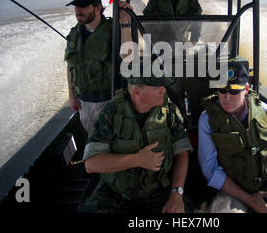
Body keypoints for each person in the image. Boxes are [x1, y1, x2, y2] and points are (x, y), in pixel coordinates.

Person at [78, 70, 194, 213]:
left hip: (157, 188)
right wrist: (137, 160)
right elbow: (91, 164)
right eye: (157, 87)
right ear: (137, 92)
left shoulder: (168, 111)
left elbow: (181, 153)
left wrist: (176, 194)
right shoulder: (111, 113)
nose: (164, 90)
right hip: (116, 191)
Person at [198, 62, 267, 213]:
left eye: (234, 92)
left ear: (246, 89)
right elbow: (210, 169)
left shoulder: (264, 111)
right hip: (233, 191)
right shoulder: (207, 120)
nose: (227, 97)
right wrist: (250, 200)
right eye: (222, 91)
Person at [65, 0, 133, 135]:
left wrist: (124, 22)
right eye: (76, 6)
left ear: (97, 8)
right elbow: (71, 66)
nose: (78, 10)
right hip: (84, 103)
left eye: (83, 6)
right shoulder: (74, 34)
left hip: (110, 101)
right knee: (94, 142)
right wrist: (71, 95)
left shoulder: (114, 29)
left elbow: (128, 57)